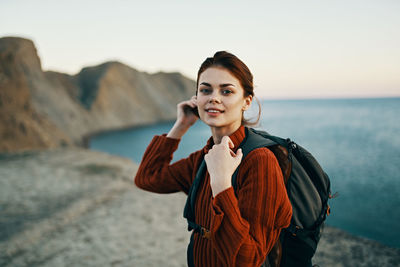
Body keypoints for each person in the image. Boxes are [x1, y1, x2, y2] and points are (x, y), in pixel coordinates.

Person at [134, 51, 292, 266]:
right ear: (197, 98)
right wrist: (181, 126)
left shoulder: (260, 161)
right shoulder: (204, 157)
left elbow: (247, 261)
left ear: (246, 101)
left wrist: (221, 183)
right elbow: (147, 178)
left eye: (226, 91)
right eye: (205, 90)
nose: (213, 98)